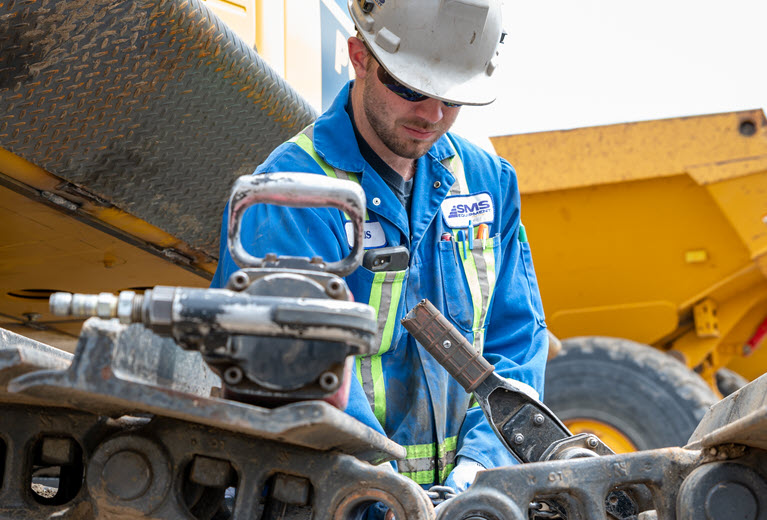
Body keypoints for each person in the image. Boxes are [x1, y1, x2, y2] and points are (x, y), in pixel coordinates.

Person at [211, 0, 548, 503]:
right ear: (359, 56)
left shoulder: (486, 184)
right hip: (336, 503)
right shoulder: (289, 194)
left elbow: (516, 338)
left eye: (451, 98)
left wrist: (479, 470)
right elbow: (289, 368)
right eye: (411, 88)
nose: (432, 115)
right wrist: (382, 491)